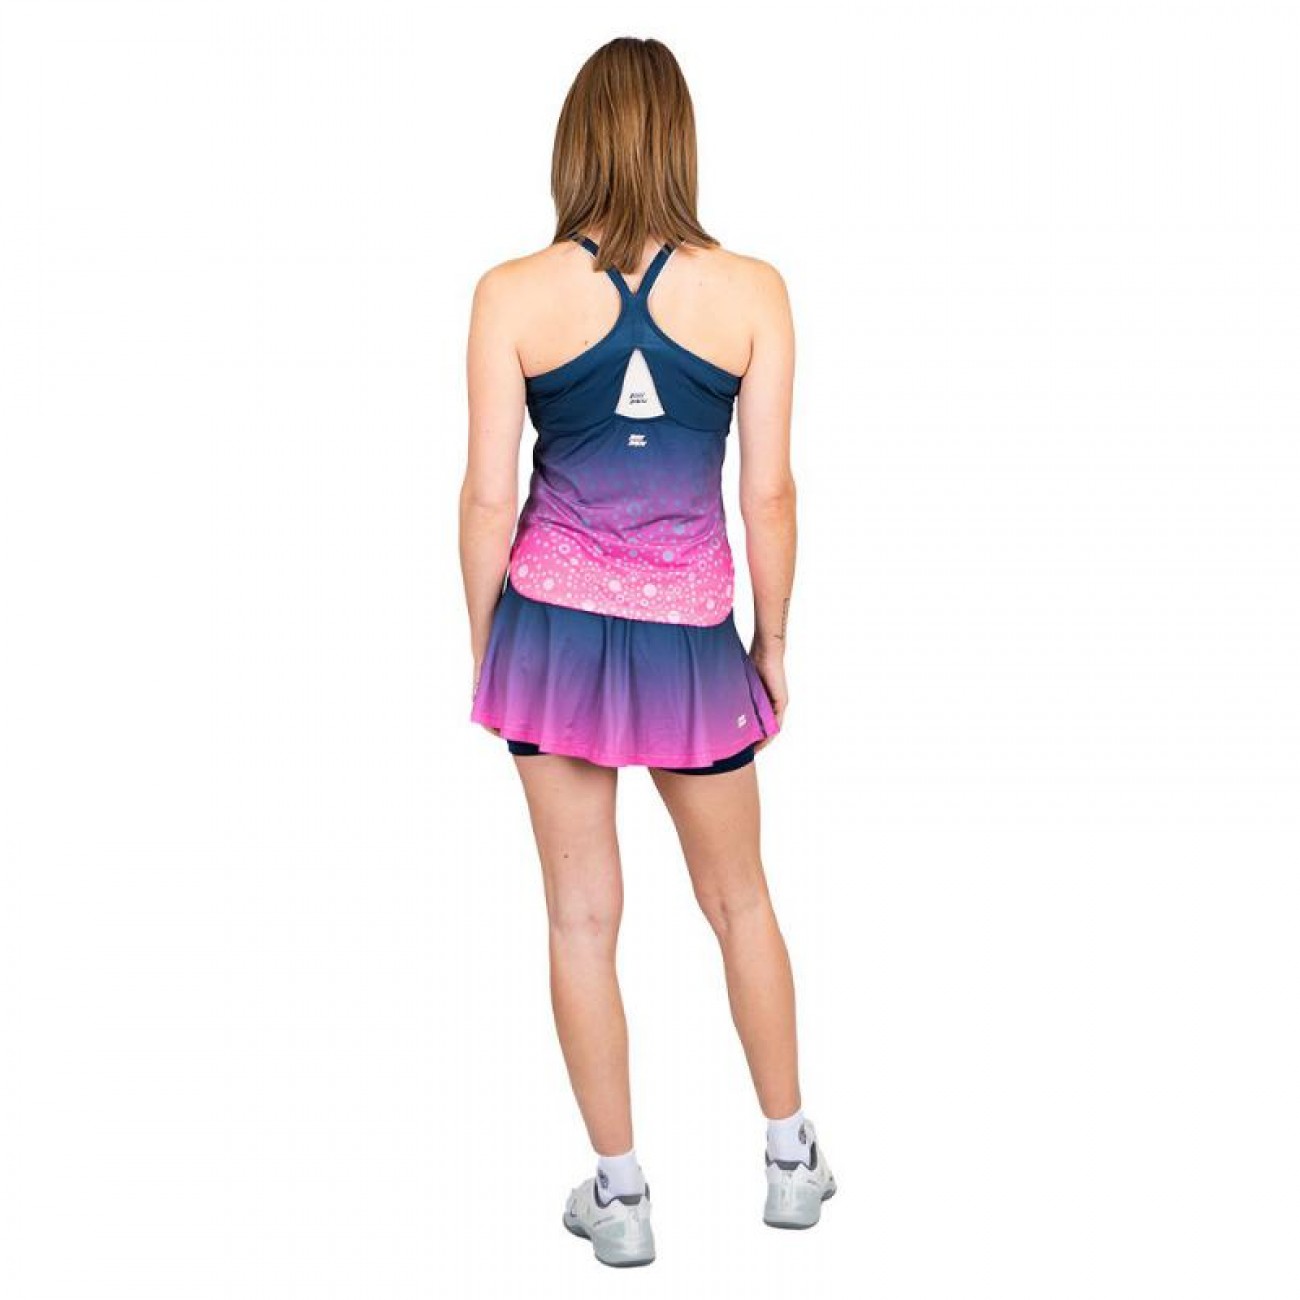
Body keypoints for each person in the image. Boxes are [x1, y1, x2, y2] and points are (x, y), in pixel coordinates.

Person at [459, 36, 835, 1267]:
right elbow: (768, 495)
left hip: (549, 639)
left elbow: (485, 496)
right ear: (681, 140)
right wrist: (771, 642)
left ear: (575, 140)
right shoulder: (754, 292)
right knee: (740, 901)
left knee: (580, 918)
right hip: (691, 647)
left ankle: (618, 1201)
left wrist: (490, 642)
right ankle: (790, 1163)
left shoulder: (510, 293)